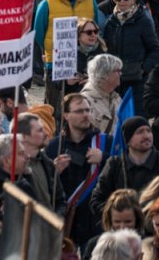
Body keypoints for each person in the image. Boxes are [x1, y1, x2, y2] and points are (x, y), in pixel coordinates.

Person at [35, 0, 103, 111]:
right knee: (55, 109)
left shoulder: (90, 2)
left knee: (83, 108)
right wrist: (49, 51)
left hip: (84, 64)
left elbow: (96, 28)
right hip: (56, 64)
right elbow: (39, 32)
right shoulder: (47, 3)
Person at [48, 93, 108, 246]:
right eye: (80, 111)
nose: (86, 115)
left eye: (88, 110)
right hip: (67, 218)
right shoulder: (54, 146)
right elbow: (43, 183)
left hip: (96, 219)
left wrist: (104, 158)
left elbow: (122, 170)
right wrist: (53, 172)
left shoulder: (104, 141)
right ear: (66, 115)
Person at [103, 0, 159, 111]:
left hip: (137, 82)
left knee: (137, 117)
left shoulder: (142, 20)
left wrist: (143, 68)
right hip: (115, 81)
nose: (122, 1)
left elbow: (155, 49)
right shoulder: (111, 22)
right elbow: (105, 49)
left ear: (133, 0)